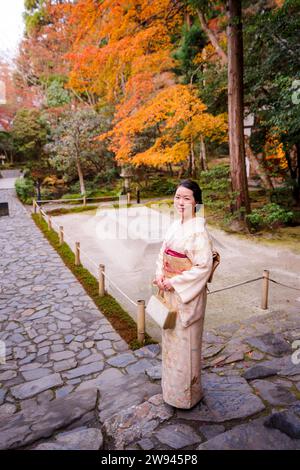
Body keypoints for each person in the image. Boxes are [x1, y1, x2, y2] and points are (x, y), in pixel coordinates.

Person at [155, 179, 216, 409]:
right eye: (178, 197)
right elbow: (162, 253)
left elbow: (203, 267)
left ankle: (187, 396)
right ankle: (171, 392)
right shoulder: (175, 225)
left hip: (187, 294)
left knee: (186, 345)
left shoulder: (199, 232)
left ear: (196, 202)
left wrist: (174, 282)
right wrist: (160, 275)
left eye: (186, 198)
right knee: (171, 341)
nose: (180, 202)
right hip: (170, 290)